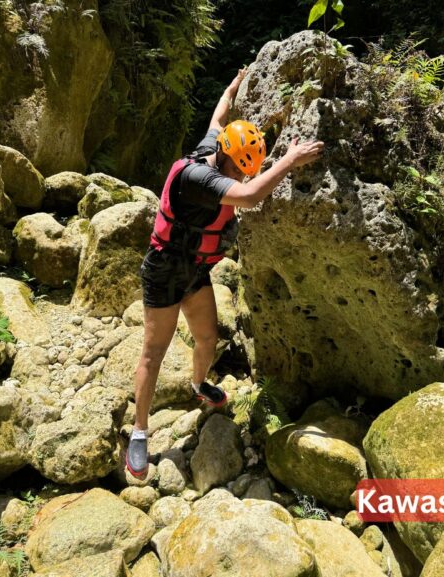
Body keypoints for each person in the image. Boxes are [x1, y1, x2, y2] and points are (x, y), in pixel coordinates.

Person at [125, 69, 325, 478]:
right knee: (154, 351)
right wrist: (290, 159)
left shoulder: (217, 143)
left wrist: (233, 87)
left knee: (208, 337)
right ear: (224, 157)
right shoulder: (200, 175)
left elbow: (218, 118)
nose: (240, 176)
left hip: (195, 269)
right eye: (237, 168)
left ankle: (199, 387)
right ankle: (140, 432)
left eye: (244, 170)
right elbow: (250, 197)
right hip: (164, 270)